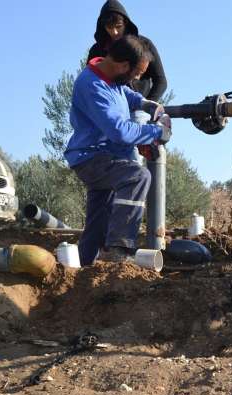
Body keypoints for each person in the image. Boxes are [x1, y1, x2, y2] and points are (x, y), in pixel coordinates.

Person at [64, 35, 172, 265]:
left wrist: (143, 103)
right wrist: (156, 133)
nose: (138, 77)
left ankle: (85, 266)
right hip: (91, 156)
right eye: (137, 73)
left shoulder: (111, 77)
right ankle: (119, 248)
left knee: (100, 215)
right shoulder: (92, 85)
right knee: (138, 177)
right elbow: (120, 131)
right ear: (123, 65)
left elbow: (125, 94)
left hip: (103, 156)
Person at [88, 1, 167, 103]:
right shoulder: (97, 50)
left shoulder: (145, 45)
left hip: (139, 108)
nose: (114, 32)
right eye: (109, 27)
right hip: (110, 105)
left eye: (118, 26)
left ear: (125, 23)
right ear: (103, 27)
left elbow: (161, 81)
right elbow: (91, 82)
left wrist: (146, 106)